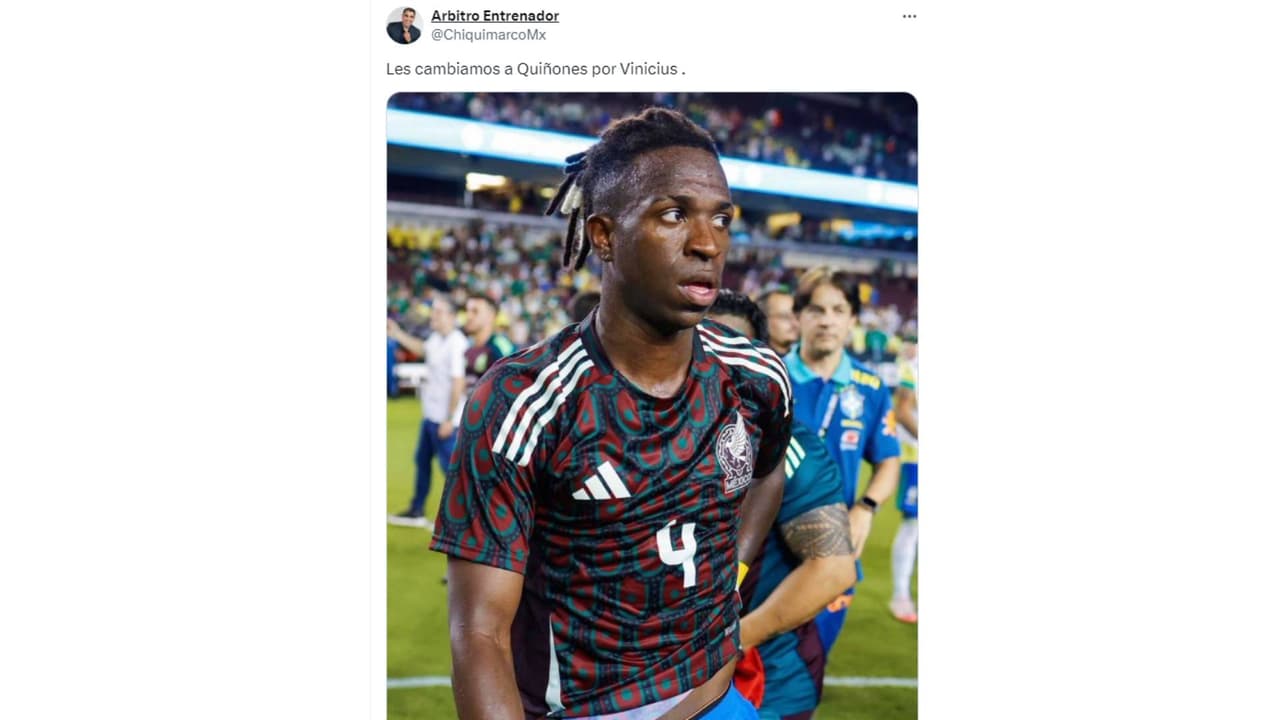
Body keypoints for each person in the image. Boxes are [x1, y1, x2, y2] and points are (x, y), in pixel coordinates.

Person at [430, 107, 792, 720]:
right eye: (673, 215)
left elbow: (767, 473)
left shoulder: (756, 376)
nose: (707, 243)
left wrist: (732, 569)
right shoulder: (523, 402)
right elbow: (480, 634)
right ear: (603, 236)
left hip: (719, 702)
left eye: (721, 218)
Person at [706, 291, 855, 720]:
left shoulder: (791, 446)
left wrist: (729, 641)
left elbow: (832, 569)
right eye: (703, 347)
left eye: (736, 350)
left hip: (764, 683)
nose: (721, 367)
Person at [782, 267, 901, 655]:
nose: (827, 320)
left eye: (838, 310)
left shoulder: (870, 388)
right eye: (816, 310)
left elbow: (888, 460)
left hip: (835, 554)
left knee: (810, 672)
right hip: (770, 551)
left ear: (852, 320)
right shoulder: (771, 375)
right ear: (798, 317)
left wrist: (866, 508)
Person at [387, 295, 467, 527]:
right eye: (434, 311)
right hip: (431, 416)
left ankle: (463, 518)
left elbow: (458, 383)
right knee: (422, 461)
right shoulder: (436, 339)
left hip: (445, 420)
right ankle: (417, 509)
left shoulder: (456, 342)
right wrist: (398, 333)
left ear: (452, 317)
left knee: (452, 470)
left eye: (440, 312)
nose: (434, 315)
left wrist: (449, 419)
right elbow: (422, 349)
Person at [888, 337, 919, 623]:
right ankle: (900, 594)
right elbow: (902, 410)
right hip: (916, 456)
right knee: (914, 525)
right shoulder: (914, 365)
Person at [757, 288, 799, 358]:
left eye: (797, 317)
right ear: (764, 320)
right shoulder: (755, 360)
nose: (795, 323)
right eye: (785, 317)